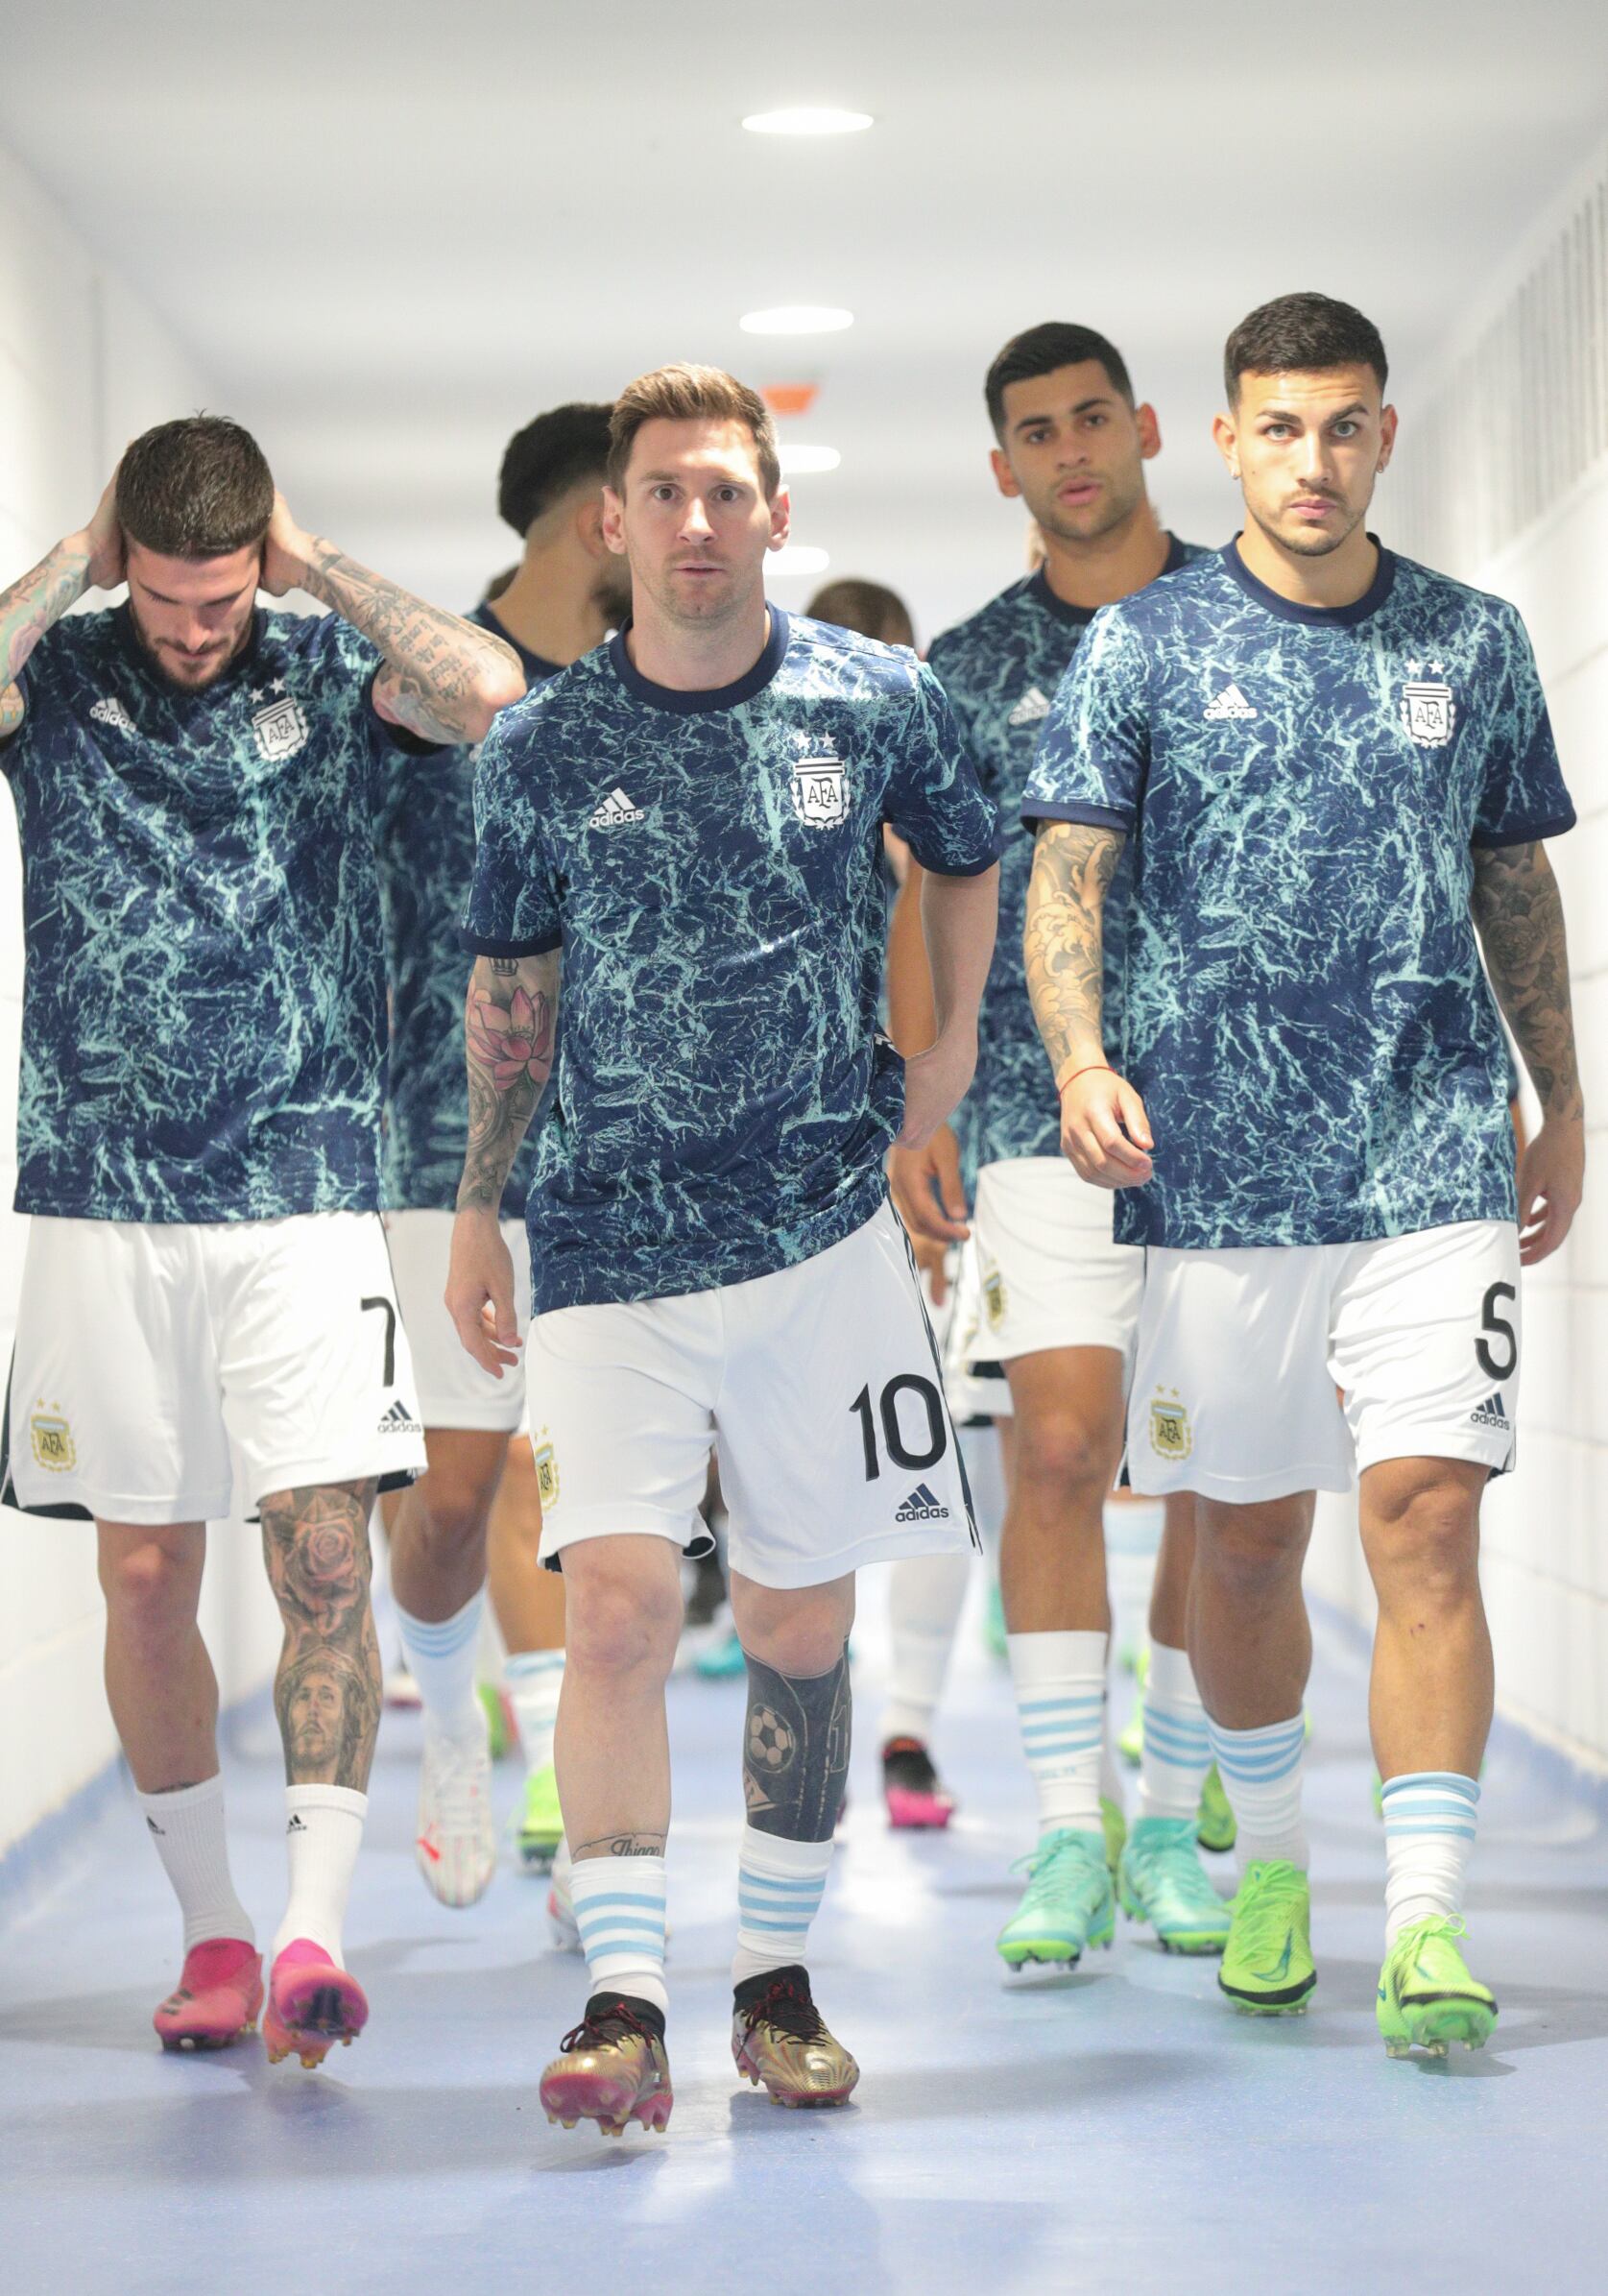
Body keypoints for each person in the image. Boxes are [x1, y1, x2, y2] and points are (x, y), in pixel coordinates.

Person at [1022, 291, 1582, 2052]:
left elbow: (1515, 882)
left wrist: (1557, 1093)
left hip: (1428, 1150)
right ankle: (1269, 1863)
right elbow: (1067, 882)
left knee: (1424, 1519)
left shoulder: (1474, 642)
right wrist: (1082, 1059)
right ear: (1225, 441)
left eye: (1344, 426)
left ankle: (1423, 1917)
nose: (1314, 460)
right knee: (1248, 1541)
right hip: (1216, 1169)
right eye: (1280, 428)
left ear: (1385, 437)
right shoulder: (1143, 647)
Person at [447, 363, 999, 2134]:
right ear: (614, 521)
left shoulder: (879, 700)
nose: (697, 522)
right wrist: (477, 1202)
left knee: (796, 1619)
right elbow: (510, 994)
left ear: (773, 514)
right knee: (612, 1606)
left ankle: (772, 1979)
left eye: (727, 492)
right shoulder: (541, 747)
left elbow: (973, 857)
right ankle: (624, 1998)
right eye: (665, 493)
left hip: (825, 1236)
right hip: (607, 1243)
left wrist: (954, 1060)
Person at [0, 417, 521, 2065]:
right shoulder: (67, 676)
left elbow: (487, 689)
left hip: (303, 1185)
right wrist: (77, 560)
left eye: (220, 597)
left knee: (318, 1560)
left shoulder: (320, 668)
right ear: (125, 564)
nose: (194, 628)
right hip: (100, 1192)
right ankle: (213, 1935)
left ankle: (311, 1934)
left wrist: (317, 572)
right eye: (167, 596)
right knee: (148, 1570)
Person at [889, 322, 1232, 1968]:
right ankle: (1069, 1834)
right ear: (1004, 465)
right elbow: (934, 900)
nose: (1072, 449)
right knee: (1056, 1446)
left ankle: (1172, 1821)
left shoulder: (1255, 621)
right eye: (1038, 430)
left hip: (1251, 1116)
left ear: (1150, 427)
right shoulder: (963, 672)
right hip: (1036, 1111)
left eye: (1095, 417)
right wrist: (925, 1103)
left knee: (1210, 1469)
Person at [377, 403, 630, 1905]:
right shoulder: (418, 690)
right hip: (438, 1146)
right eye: (643, 498)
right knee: (461, 1498)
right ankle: (452, 1723)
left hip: (617, 1159)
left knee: (578, 1496)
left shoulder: (660, 687)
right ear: (581, 513)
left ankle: (572, 1808)